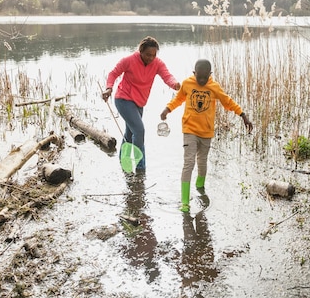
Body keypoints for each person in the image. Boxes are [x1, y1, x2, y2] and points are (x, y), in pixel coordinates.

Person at [160, 59, 253, 212]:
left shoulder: (214, 87)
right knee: (189, 163)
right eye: (199, 77)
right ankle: (185, 201)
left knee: (202, 162)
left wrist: (243, 115)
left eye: (205, 77)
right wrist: (167, 109)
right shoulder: (187, 84)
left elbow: (227, 101)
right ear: (194, 73)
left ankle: (200, 187)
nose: (202, 80)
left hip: (206, 132)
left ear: (210, 74)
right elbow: (178, 99)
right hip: (189, 129)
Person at [102, 36, 180, 171]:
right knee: (139, 130)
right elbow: (113, 73)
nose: (151, 58)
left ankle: (123, 160)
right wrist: (109, 88)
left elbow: (167, 76)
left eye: (154, 55)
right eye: (148, 55)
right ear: (140, 51)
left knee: (130, 133)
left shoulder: (157, 63)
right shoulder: (129, 60)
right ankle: (140, 167)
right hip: (123, 99)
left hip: (139, 102)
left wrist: (175, 84)